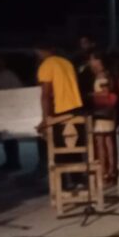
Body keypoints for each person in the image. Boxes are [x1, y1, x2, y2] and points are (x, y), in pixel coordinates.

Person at [35, 43, 84, 174]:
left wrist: (45, 120)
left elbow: (46, 94)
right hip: (76, 109)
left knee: (58, 149)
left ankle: (64, 181)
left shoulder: (46, 65)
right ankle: (77, 178)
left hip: (60, 111)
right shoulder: (67, 62)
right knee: (75, 146)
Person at [87, 51, 119, 183]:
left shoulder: (101, 75)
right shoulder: (108, 74)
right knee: (108, 141)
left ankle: (105, 171)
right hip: (108, 112)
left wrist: (91, 95)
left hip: (101, 112)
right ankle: (111, 170)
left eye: (91, 59)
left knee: (101, 142)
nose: (90, 62)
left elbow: (105, 93)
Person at [0, 54, 23, 171]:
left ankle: (13, 162)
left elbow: (19, 90)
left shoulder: (8, 75)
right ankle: (9, 162)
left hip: (8, 113)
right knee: (4, 139)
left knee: (9, 138)